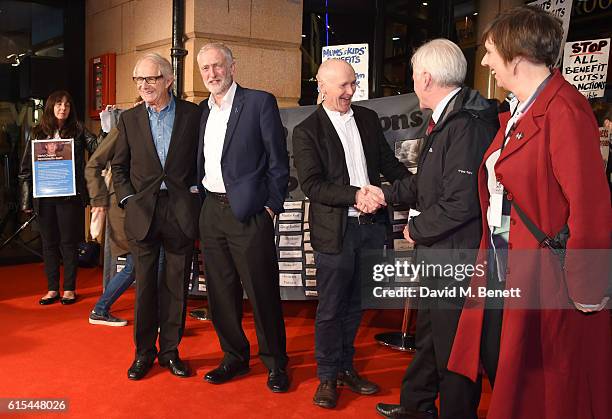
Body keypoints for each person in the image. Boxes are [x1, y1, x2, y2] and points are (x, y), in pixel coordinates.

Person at [446, 6, 611, 419]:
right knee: (498, 364)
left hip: (546, 283)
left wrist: (588, 293)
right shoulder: (520, 108)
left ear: (515, 56)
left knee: (537, 386)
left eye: (489, 52)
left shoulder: (565, 110)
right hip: (506, 266)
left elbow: (590, 209)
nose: (483, 62)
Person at [368, 39, 498, 419]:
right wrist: (383, 194)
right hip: (440, 253)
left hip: (453, 255)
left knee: (455, 348)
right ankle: (416, 405)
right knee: (429, 334)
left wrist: (416, 230)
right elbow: (427, 184)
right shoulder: (446, 119)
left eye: (412, 74)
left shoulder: (466, 125)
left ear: (425, 77)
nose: (411, 81)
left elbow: (461, 203)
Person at [292, 58, 410, 409]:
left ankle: (346, 367)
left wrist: (420, 185)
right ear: (322, 86)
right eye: (342, 85)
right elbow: (312, 185)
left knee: (358, 305)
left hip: (371, 229)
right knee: (331, 308)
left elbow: (388, 164)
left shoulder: (368, 119)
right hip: (336, 232)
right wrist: (355, 194)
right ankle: (327, 375)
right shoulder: (307, 130)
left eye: (353, 83)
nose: (350, 90)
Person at [196, 43, 290, 393]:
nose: (212, 74)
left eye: (217, 66)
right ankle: (233, 357)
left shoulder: (259, 102)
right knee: (220, 293)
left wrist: (270, 208)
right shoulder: (204, 111)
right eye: (205, 69)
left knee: (262, 291)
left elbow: (279, 162)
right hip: (212, 211)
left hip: (249, 214)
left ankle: (276, 363)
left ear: (232, 66)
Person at [111, 53, 202, 380]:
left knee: (176, 286)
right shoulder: (130, 119)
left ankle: (170, 352)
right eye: (138, 80)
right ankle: (143, 353)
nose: (144, 85)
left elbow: (204, 162)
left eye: (150, 79)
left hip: (180, 211)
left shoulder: (193, 115)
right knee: (146, 286)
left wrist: (197, 192)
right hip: (143, 212)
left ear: (168, 79)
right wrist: (128, 200)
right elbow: (118, 167)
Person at [85, 105, 166, 327]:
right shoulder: (126, 125)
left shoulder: (165, 127)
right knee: (145, 260)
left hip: (149, 206)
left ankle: (101, 309)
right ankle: (154, 318)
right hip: (125, 207)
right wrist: (99, 202)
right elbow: (94, 164)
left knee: (137, 262)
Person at [19, 90, 98, 305]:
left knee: (68, 243)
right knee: (49, 244)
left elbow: (97, 147)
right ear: (51, 107)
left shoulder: (79, 130)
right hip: (44, 198)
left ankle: (70, 289)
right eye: (59, 105)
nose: (63, 108)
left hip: (68, 197)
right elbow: (25, 170)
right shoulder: (37, 132)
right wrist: (26, 201)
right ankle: (52, 289)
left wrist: (108, 126)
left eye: (67, 105)